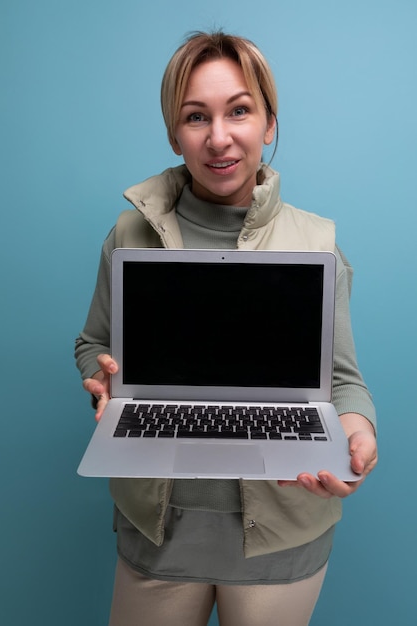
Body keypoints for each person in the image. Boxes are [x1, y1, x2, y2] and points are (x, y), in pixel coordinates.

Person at [75, 30, 377, 626]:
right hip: (159, 531)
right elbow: (93, 343)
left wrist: (358, 432)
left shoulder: (318, 245)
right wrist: (100, 377)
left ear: (268, 122)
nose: (219, 137)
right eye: (196, 117)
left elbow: (342, 380)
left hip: (282, 536)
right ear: (173, 133)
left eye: (239, 110)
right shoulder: (128, 235)